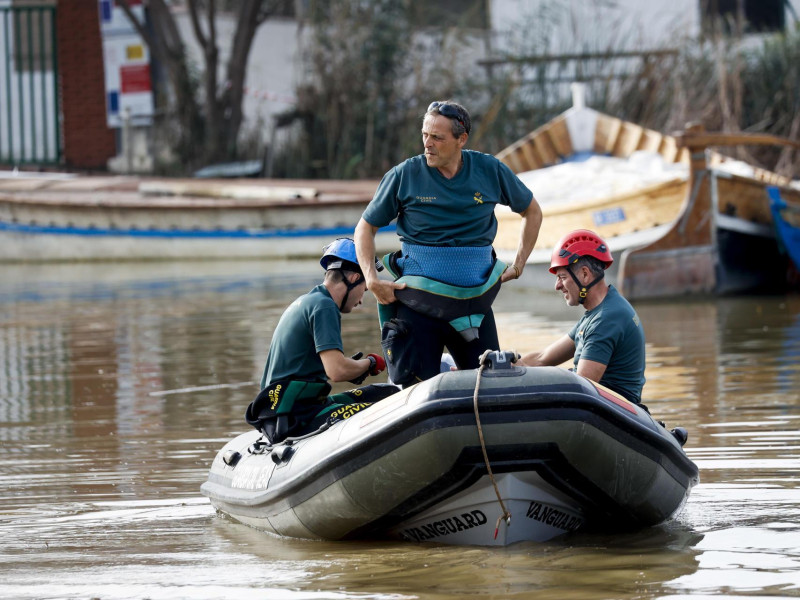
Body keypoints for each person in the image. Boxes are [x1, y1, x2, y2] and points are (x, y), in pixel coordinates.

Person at [354, 100, 542, 385]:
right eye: (424, 135)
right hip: (418, 306)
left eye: (437, 138)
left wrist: (519, 264)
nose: (427, 144)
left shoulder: (489, 169)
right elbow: (365, 227)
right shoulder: (404, 175)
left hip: (475, 307)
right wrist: (371, 278)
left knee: (492, 388)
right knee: (413, 393)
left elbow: (532, 211)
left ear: (461, 139)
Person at [245, 238, 399, 443]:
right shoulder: (325, 306)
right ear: (353, 278)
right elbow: (337, 371)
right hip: (295, 417)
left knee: (387, 392)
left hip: (286, 410)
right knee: (388, 409)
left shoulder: (308, 300)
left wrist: (357, 367)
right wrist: (370, 363)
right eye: (364, 289)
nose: (361, 299)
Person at [518, 229, 646, 405]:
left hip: (613, 414)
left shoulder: (606, 319)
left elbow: (582, 388)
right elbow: (542, 358)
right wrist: (510, 366)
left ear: (585, 275)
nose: (557, 286)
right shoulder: (601, 310)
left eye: (562, 277)